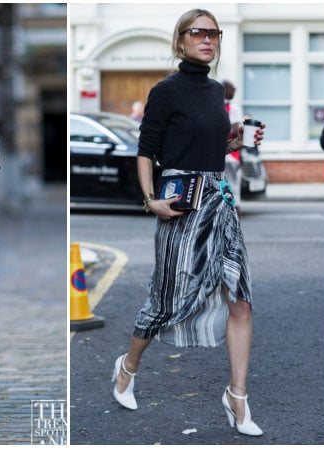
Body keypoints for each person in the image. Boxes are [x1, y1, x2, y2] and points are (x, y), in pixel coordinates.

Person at [112, 9, 266, 437]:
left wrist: (235, 138)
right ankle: (127, 367)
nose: (208, 39)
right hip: (180, 204)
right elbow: (147, 150)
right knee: (166, 302)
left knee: (241, 299)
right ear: (180, 40)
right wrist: (151, 201)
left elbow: (211, 147)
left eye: (214, 33)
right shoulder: (165, 91)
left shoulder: (215, 90)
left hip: (218, 200)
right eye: (198, 32)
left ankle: (237, 397)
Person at [222, 80, 242, 212]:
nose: (234, 92)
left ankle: (235, 208)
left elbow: (235, 130)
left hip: (231, 154)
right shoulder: (225, 107)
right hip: (225, 154)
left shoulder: (232, 108)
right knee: (228, 185)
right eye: (232, 89)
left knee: (232, 185)